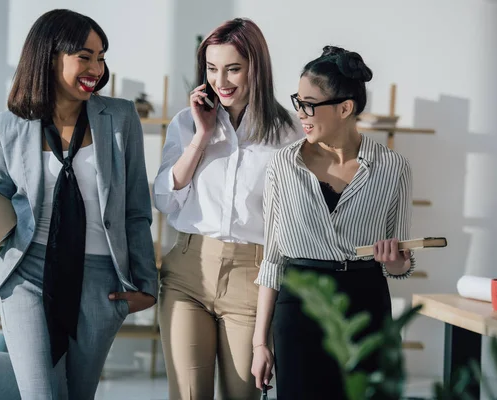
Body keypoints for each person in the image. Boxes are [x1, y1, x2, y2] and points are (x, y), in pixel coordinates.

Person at [0, 9, 157, 399]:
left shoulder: (119, 118)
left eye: (101, 57)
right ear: (50, 56)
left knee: (78, 394)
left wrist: (146, 287)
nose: (96, 68)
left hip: (100, 280)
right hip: (28, 272)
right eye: (84, 57)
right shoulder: (7, 126)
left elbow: (135, 209)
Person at [251, 46, 415, 399]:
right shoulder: (283, 165)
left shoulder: (393, 168)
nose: (300, 113)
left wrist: (396, 260)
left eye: (309, 104)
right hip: (299, 306)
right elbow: (273, 259)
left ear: (345, 108)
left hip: (366, 304)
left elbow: (400, 262)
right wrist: (259, 343)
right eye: (298, 101)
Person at [153, 17, 302, 400]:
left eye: (233, 68)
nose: (222, 81)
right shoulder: (188, 123)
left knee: (242, 395)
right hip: (188, 271)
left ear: (257, 67)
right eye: (213, 69)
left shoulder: (288, 134)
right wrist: (201, 138)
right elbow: (165, 199)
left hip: (253, 278)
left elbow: (291, 221)